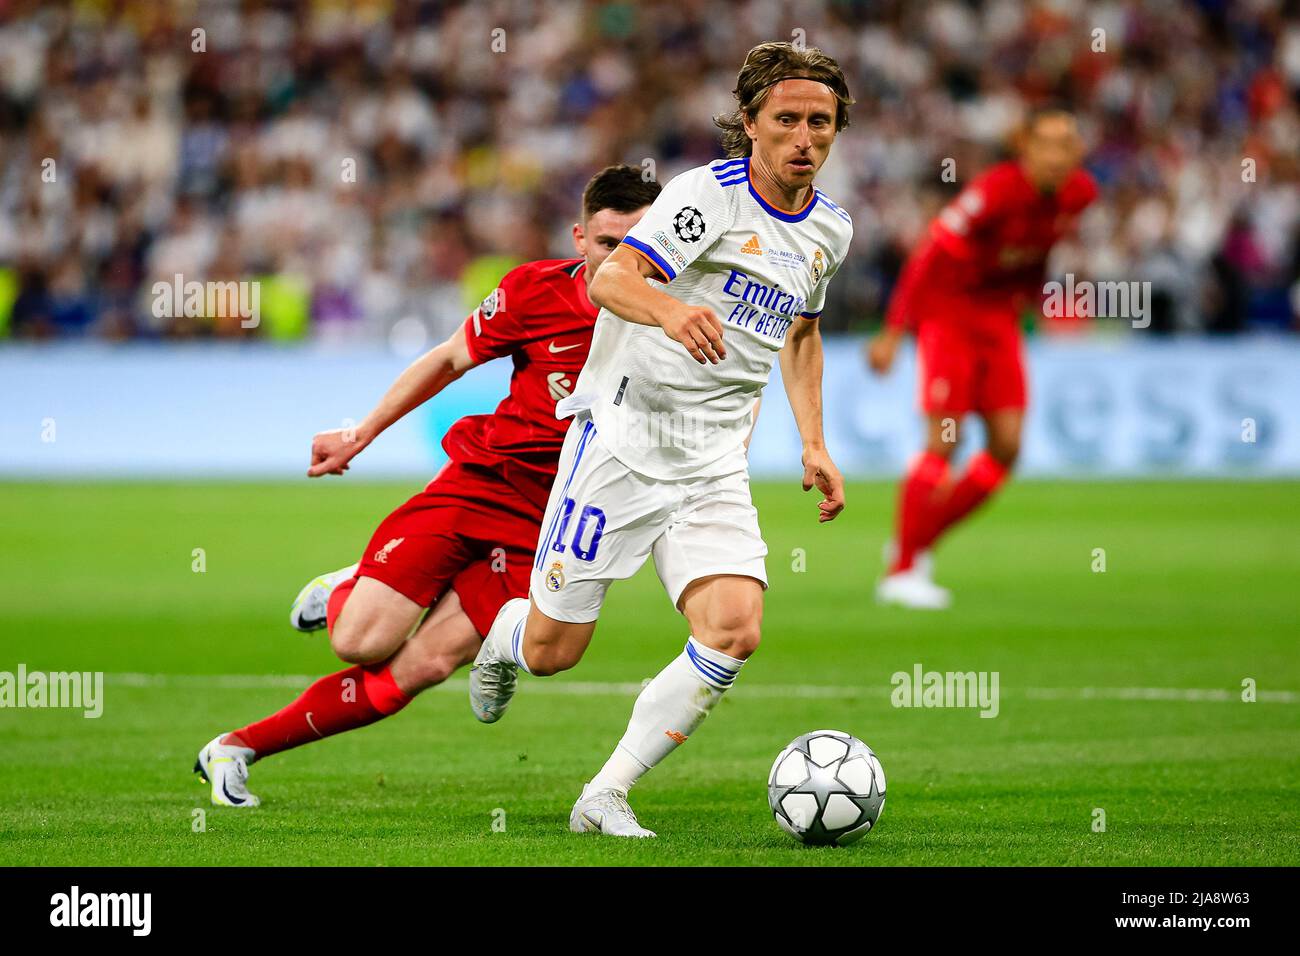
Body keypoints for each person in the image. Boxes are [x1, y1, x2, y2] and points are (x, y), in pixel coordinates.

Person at [467, 41, 854, 838]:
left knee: (734, 628)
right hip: (623, 441)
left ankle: (604, 793)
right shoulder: (705, 199)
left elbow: (803, 336)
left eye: (821, 122)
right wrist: (673, 310)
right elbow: (610, 280)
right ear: (749, 123)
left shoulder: (830, 230)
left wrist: (813, 441)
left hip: (713, 457)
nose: (804, 138)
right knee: (553, 651)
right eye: (786, 120)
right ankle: (504, 637)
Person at [193, 165, 660, 806]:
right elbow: (446, 359)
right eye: (610, 243)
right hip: (480, 485)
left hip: (549, 525)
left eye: (639, 242)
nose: (622, 258)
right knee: (359, 642)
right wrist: (360, 434)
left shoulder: (672, 316)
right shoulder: (532, 292)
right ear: (581, 239)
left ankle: (235, 748)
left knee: (424, 666)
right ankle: (347, 584)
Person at [867, 108, 1097, 609]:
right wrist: (892, 330)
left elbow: (1036, 252)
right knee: (945, 440)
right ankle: (902, 569)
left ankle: (916, 542)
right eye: (1048, 144)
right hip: (950, 315)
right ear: (1026, 148)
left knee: (1008, 447)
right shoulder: (994, 192)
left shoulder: (1079, 193)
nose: (1059, 155)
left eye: (1068, 143)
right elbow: (929, 251)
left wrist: (1032, 302)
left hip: (999, 321)